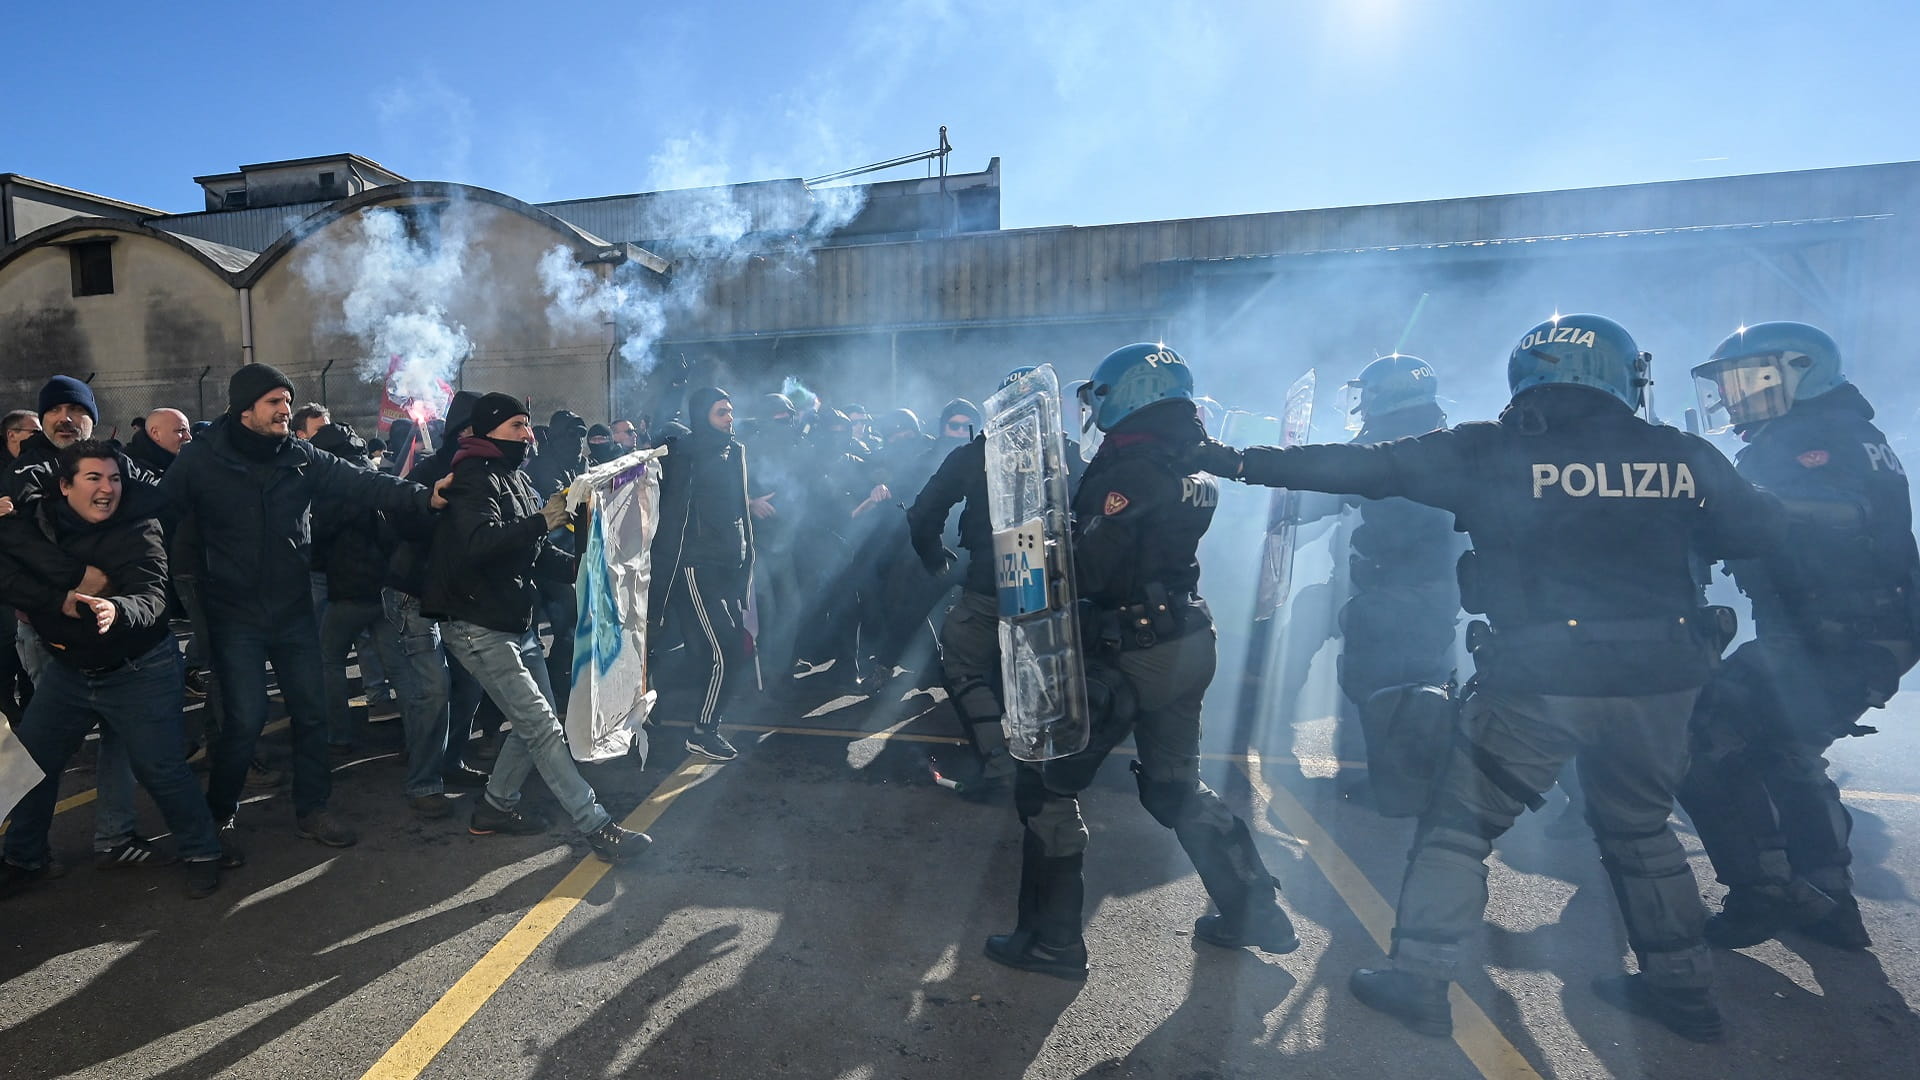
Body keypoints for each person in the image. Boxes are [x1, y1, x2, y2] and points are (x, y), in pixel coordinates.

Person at [1193, 315, 1780, 1042]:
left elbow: (1364, 468)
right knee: (1643, 830)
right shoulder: (1687, 456)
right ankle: (1684, 989)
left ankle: (1419, 978)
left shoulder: (1493, 448)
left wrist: (1232, 460)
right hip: (1661, 684)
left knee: (1458, 829)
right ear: (1622, 374)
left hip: (1541, 679)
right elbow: (1760, 534)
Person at [985, 344, 1301, 981]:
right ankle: (1252, 910)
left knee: (1045, 786)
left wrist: (1040, 540)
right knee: (1172, 784)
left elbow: (1093, 568)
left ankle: (1051, 943)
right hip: (1186, 638)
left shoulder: (1129, 471)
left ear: (1127, 395)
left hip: (1126, 651)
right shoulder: (1189, 463)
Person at [1679, 322, 1918, 951]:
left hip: (1837, 635)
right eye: (1730, 383)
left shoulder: (1815, 435)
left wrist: (1735, 504)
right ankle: (1829, 901)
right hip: (1858, 634)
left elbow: (1840, 509)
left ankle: (1764, 894)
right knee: (1785, 749)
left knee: (1702, 733)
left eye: (1751, 380)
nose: (1735, 396)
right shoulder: (1846, 431)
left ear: (1801, 371)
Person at [162, 363, 447, 851]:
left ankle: (312, 808)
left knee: (312, 714)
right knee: (245, 718)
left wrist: (426, 496)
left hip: (292, 610)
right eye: (274, 402)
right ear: (244, 407)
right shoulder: (201, 459)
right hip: (234, 615)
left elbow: (364, 483)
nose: (284, 410)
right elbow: (159, 515)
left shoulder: (300, 456)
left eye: (287, 402)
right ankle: (220, 810)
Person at [425, 393, 649, 860]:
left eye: (527, 426)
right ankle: (597, 826)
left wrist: (582, 570)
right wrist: (543, 521)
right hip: (477, 623)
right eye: (515, 427)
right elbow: (480, 545)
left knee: (538, 724)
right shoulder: (471, 479)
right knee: (544, 727)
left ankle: (495, 806)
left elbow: (533, 552)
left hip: (514, 620)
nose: (527, 435)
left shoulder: (515, 478)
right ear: (487, 432)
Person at [0, 441, 227, 898]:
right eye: (94, 479)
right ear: (64, 487)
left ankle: (203, 852)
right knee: (28, 765)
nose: (108, 490)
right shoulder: (33, 522)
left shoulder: (139, 526)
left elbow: (152, 597)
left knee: (161, 767)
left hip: (140, 668)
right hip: (68, 671)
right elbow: (10, 577)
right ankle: (24, 859)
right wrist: (57, 597)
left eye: (115, 478)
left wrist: (116, 609)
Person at [1330, 356, 1463, 797]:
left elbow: (1334, 490)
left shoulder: (1387, 444)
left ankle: (1401, 786)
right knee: (1424, 681)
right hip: (1441, 587)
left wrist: (1283, 506)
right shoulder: (1442, 437)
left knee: (1380, 682)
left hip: (1403, 589)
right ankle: (1419, 778)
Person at [908, 381, 1016, 795]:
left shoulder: (976, 455)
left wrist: (935, 559)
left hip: (994, 584)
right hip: (1055, 587)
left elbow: (923, 514)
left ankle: (998, 766)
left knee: (962, 661)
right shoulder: (1061, 453)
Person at [649, 388, 753, 761]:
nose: (729, 418)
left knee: (701, 648)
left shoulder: (735, 451)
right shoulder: (684, 456)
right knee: (724, 648)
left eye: (731, 411)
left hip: (726, 565)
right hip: (695, 567)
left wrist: (745, 563)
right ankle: (704, 730)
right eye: (721, 412)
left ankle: (658, 706)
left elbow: (740, 510)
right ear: (701, 416)